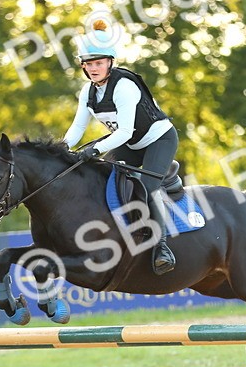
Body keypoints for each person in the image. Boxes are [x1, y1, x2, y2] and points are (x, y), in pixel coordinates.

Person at [64, 22, 178, 274]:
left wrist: (94, 150)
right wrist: (61, 148)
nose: (93, 69)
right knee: (104, 179)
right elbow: (77, 128)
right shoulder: (88, 92)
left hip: (159, 140)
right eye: (88, 64)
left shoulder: (124, 86)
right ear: (83, 66)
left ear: (110, 62)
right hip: (130, 144)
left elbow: (125, 131)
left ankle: (162, 248)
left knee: (146, 187)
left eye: (98, 63)